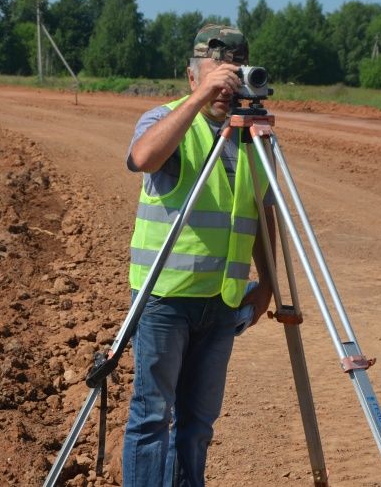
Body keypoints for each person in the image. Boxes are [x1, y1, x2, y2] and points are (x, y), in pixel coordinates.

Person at [122, 24, 275, 487]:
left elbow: (262, 210)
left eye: (236, 71)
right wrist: (197, 103)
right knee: (152, 417)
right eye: (217, 72)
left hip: (222, 302)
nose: (227, 83)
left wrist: (267, 281)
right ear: (193, 77)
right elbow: (143, 157)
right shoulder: (164, 118)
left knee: (197, 426)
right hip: (164, 297)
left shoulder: (250, 136)